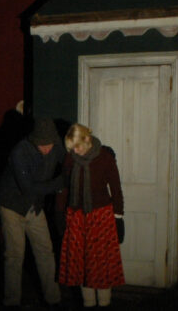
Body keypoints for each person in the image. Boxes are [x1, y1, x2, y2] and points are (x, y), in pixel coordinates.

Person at [0, 117, 66, 309]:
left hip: (34, 206)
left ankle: (53, 299)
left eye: (50, 144)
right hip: (12, 206)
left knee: (45, 251)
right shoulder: (19, 152)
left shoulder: (56, 145)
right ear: (34, 140)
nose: (47, 149)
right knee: (14, 255)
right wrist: (60, 183)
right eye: (42, 145)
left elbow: (68, 161)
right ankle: (12, 302)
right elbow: (28, 188)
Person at [56, 123, 125, 308]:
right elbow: (64, 188)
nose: (74, 152)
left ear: (87, 140)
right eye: (71, 148)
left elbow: (116, 189)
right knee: (81, 264)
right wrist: (60, 213)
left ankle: (104, 303)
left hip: (101, 217)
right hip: (77, 217)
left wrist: (118, 217)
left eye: (77, 147)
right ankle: (88, 303)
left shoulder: (105, 157)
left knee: (101, 264)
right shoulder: (70, 159)